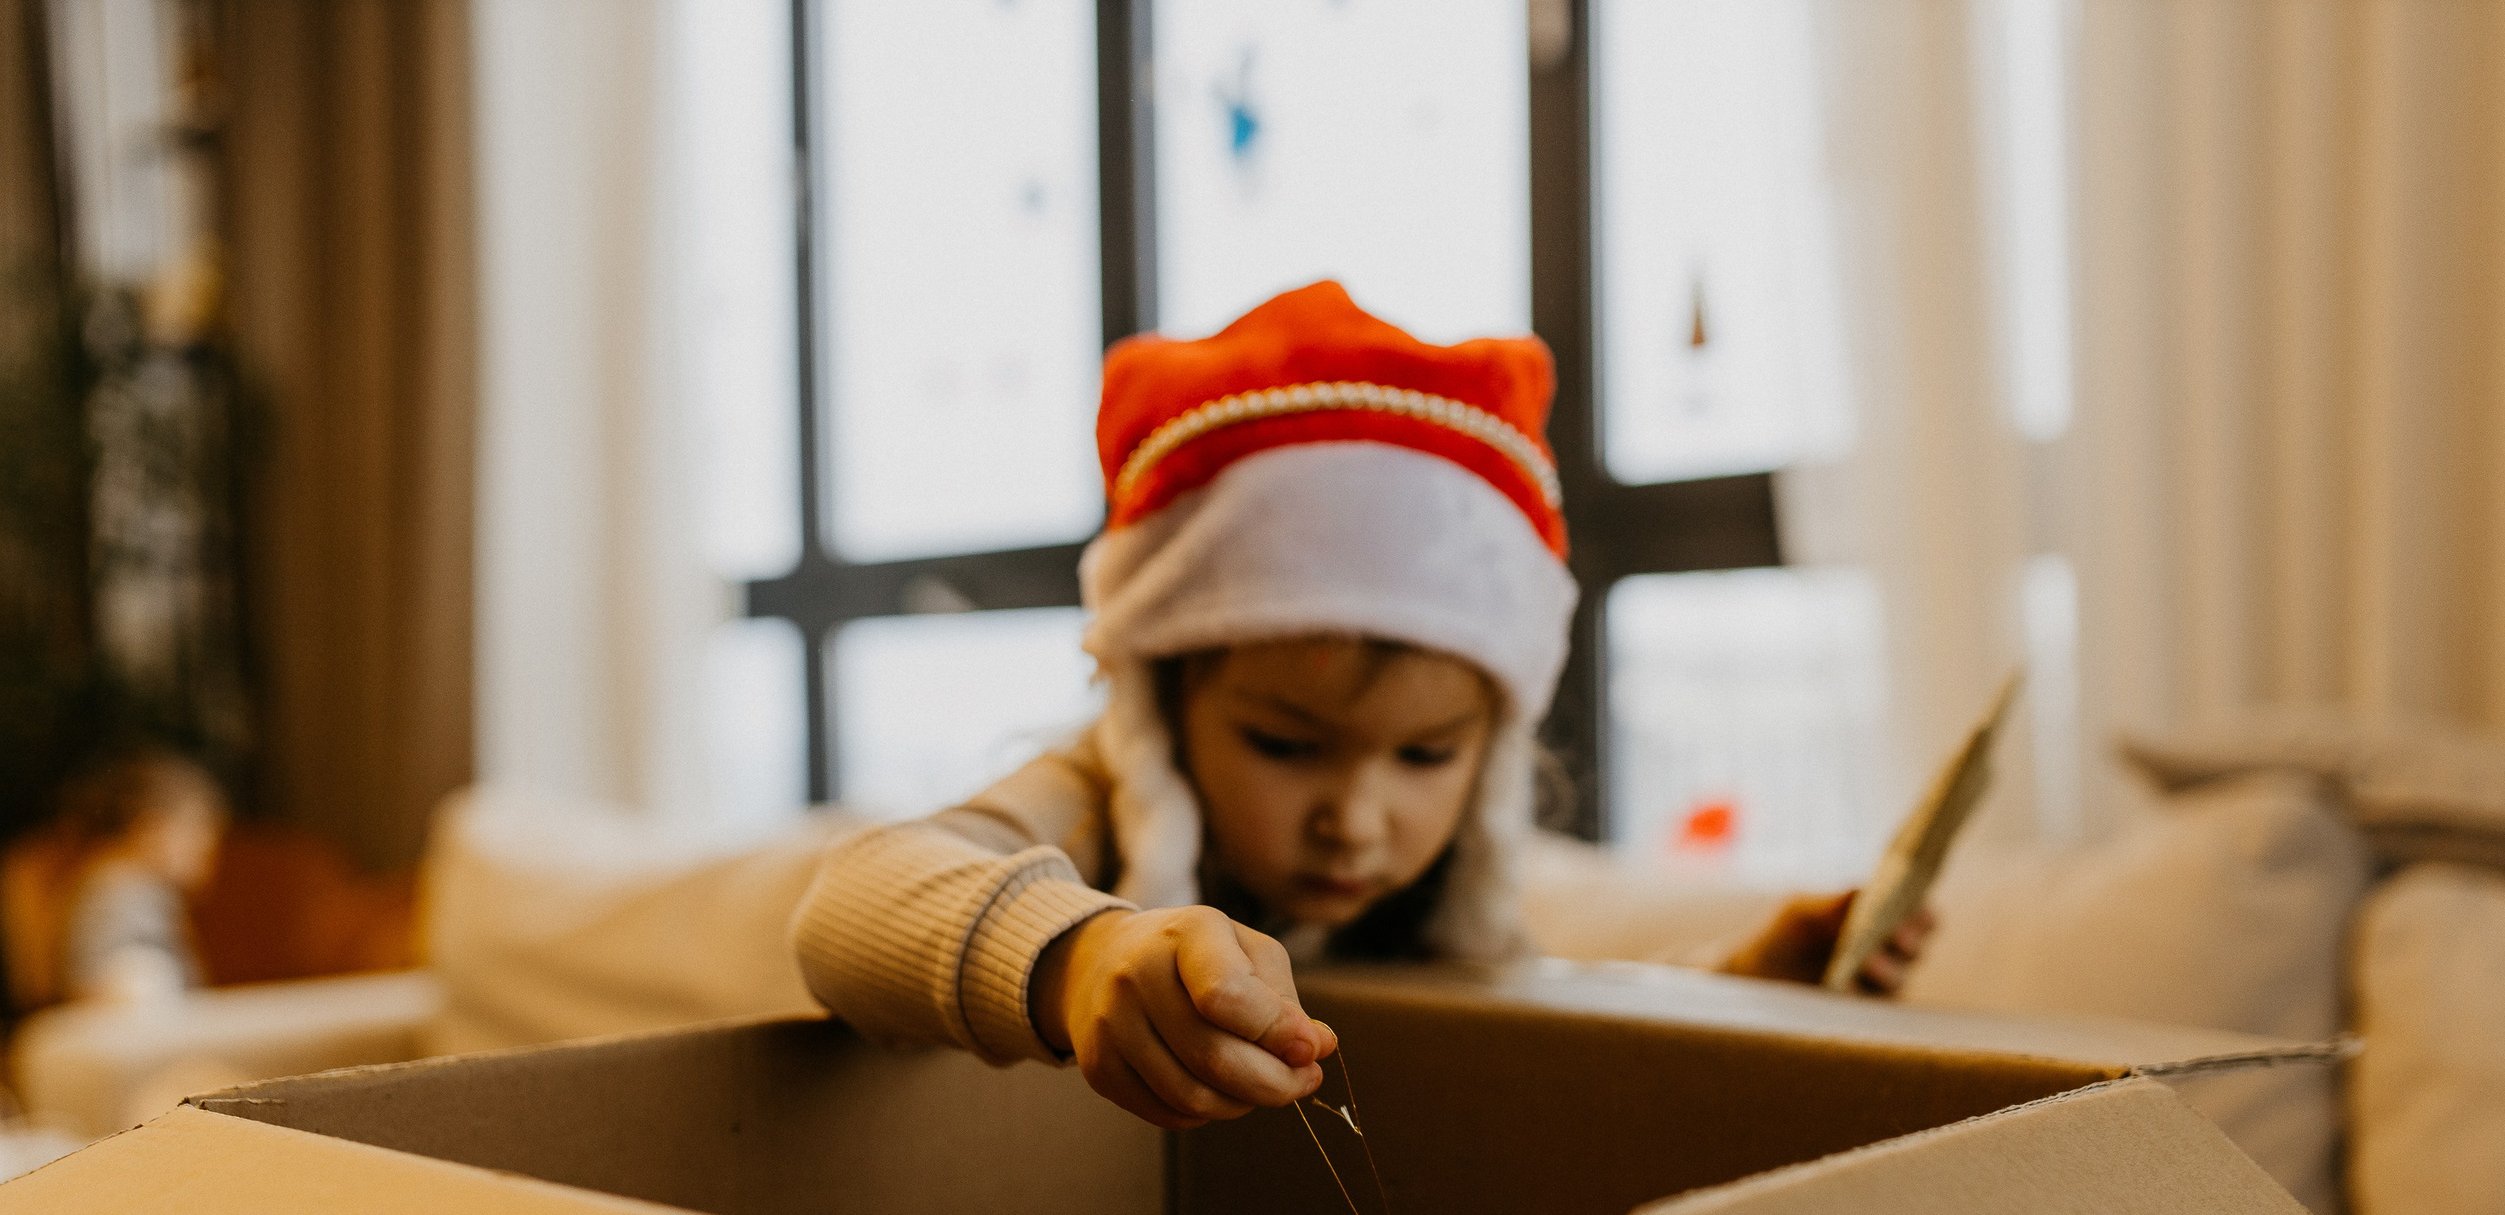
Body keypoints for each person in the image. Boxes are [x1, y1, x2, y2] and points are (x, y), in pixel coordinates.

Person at [794, 282, 1921, 1131]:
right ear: (1167, 701)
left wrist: (1750, 989)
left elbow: (1544, 1040)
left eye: (1426, 756)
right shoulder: (1096, 798)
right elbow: (844, 908)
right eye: (1285, 745)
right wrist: (1078, 957)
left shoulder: (1446, 884)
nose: (1357, 819)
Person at [59, 752, 226, 1003]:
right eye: (197, 841)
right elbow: (105, 982)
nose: (206, 858)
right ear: (151, 828)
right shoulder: (118, 889)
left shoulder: (135, 887)